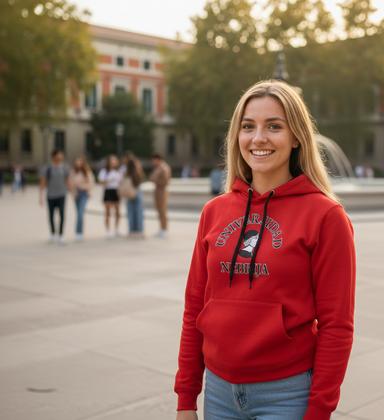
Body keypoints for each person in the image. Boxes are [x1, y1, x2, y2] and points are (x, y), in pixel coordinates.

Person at [174, 80, 356, 420]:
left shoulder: (326, 216)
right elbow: (194, 309)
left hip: (286, 395)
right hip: (218, 393)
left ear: (297, 136)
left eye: (274, 126)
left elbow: (337, 325)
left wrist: (318, 412)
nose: (258, 138)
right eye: (248, 127)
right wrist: (186, 397)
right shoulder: (214, 212)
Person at [39, 149, 70, 244]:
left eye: (61, 155)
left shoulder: (64, 167)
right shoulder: (47, 168)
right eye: (59, 155)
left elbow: (67, 181)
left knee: (62, 215)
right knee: (51, 216)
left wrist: (71, 192)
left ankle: (61, 235)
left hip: (62, 195)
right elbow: (43, 182)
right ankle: (52, 233)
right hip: (51, 195)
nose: (61, 157)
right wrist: (41, 196)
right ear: (54, 156)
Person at [68, 156, 95, 241]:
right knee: (78, 213)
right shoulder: (72, 172)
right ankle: (78, 232)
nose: (78, 163)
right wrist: (73, 193)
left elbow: (91, 183)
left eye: (80, 161)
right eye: (77, 161)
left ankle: (79, 232)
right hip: (76, 193)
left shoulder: (87, 172)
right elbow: (70, 184)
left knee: (80, 213)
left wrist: (87, 190)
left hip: (84, 193)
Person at [98, 155, 122, 238]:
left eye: (114, 160)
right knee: (107, 212)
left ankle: (116, 229)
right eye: (112, 160)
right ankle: (108, 230)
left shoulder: (118, 172)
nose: (113, 162)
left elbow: (120, 183)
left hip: (116, 191)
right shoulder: (104, 171)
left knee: (118, 212)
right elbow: (101, 182)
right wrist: (109, 180)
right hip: (108, 191)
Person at [122, 156, 145, 238]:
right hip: (137, 193)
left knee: (130, 213)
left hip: (129, 194)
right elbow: (140, 181)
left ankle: (131, 230)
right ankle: (139, 230)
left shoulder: (126, 173)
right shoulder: (137, 173)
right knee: (139, 213)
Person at [149, 153, 171, 238]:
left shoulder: (164, 167)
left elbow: (166, 180)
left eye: (153, 160)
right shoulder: (158, 168)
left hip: (162, 190)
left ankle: (164, 229)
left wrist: (156, 181)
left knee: (162, 210)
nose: (153, 162)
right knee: (158, 210)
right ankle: (161, 228)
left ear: (157, 159)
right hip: (157, 190)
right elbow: (151, 178)